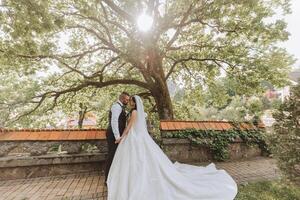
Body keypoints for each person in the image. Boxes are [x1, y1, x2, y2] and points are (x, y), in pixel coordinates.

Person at [107, 95, 238, 200]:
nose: (129, 102)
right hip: (137, 137)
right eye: (128, 101)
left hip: (134, 138)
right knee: (141, 160)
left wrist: (121, 137)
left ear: (135, 103)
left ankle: (136, 181)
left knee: (139, 159)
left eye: (130, 101)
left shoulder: (134, 112)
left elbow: (129, 127)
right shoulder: (137, 112)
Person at [104, 91, 130, 183]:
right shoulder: (116, 107)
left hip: (117, 135)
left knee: (115, 156)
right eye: (126, 100)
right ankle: (107, 180)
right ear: (122, 99)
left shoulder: (121, 108)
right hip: (113, 135)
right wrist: (117, 137)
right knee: (111, 156)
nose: (127, 101)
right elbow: (114, 121)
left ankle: (113, 178)